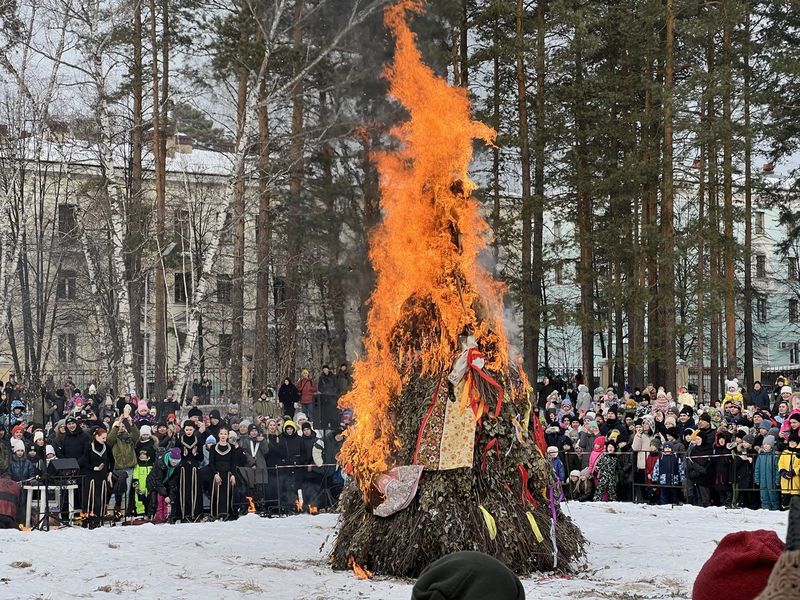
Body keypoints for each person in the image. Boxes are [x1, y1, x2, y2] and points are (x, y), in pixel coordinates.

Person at [108, 416, 140, 516]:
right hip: (116, 469)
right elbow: (110, 438)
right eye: (119, 426)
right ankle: (110, 513)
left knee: (126, 493)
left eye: (122, 426)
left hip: (128, 468)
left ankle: (122, 513)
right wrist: (118, 423)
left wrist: (131, 422)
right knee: (114, 493)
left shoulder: (129, 438)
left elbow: (136, 435)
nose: (121, 427)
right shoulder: (113, 439)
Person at [208, 427, 242, 519]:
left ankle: (227, 514)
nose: (223, 435)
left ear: (228, 435)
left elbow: (233, 462)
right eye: (221, 433)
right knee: (217, 494)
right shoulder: (214, 447)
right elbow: (211, 462)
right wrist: (215, 474)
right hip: (217, 474)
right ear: (218, 435)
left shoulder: (231, 447)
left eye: (225, 434)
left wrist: (233, 475)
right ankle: (216, 514)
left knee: (228, 494)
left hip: (228, 473)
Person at [81, 425, 112, 526]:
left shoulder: (106, 446)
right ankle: (89, 519)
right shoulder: (89, 446)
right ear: (96, 436)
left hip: (102, 477)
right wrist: (94, 468)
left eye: (105, 438)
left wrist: (110, 473)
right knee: (91, 498)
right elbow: (84, 462)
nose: (104, 439)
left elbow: (112, 460)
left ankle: (100, 519)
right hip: (91, 477)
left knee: (101, 498)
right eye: (103, 438)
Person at [176, 420, 203, 521]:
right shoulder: (180, 440)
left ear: (194, 430)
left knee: (195, 490)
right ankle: (183, 514)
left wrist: (195, 454)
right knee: (184, 490)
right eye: (187, 429)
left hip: (194, 469)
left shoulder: (198, 440)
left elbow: (201, 458)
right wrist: (183, 454)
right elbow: (176, 456)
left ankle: (195, 514)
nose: (188, 431)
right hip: (183, 469)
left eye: (190, 429)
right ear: (184, 429)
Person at [147, 447, 182, 523]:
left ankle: (171, 517)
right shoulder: (160, 464)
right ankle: (150, 518)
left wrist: (170, 489)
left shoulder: (176, 466)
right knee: (154, 502)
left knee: (172, 497)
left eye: (176, 462)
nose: (174, 464)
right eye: (173, 461)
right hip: (153, 481)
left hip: (166, 481)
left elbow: (174, 478)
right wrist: (165, 495)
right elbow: (158, 481)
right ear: (169, 459)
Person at [132, 425, 158, 516]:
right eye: (143, 435)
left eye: (147, 434)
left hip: (150, 468)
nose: (145, 436)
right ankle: (140, 511)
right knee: (139, 493)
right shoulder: (137, 444)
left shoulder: (153, 444)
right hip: (140, 468)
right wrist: (135, 479)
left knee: (151, 493)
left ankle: (151, 511)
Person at [755, 435, 780, 511]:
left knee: (773, 497)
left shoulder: (774, 456)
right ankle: (765, 510)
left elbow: (777, 469)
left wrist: (777, 480)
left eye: (768, 444)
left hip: (772, 482)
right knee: (764, 496)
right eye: (764, 444)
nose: (765, 446)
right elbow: (757, 468)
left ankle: (775, 510)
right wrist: (757, 478)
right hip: (763, 481)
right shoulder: (760, 456)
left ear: (771, 446)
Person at [778, 431, 800, 509]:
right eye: (790, 441)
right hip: (785, 481)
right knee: (785, 502)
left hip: (795, 482)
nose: (792, 443)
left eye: (794, 441)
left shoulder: (798, 453)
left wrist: (794, 472)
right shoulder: (785, 452)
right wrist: (783, 472)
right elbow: (780, 463)